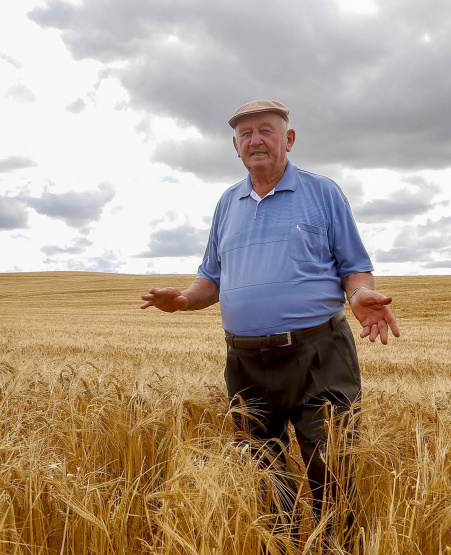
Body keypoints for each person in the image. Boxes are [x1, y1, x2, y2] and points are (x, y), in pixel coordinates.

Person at [140, 99, 399, 522]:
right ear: (235, 147)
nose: (255, 140)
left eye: (266, 130)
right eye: (246, 133)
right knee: (263, 479)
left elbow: (354, 268)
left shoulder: (323, 192)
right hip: (246, 363)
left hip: (319, 354)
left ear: (288, 139)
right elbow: (212, 279)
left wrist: (359, 296)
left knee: (332, 472)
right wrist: (185, 299)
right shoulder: (226, 204)